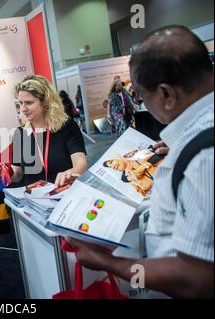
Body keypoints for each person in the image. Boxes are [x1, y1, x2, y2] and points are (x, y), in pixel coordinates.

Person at [67, 25, 214, 299]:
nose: (140, 103)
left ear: (167, 95)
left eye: (141, 96)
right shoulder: (198, 143)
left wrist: (107, 263)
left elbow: (197, 279)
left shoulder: (204, 158)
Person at [0, 75, 88, 188]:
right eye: (21, 103)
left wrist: (69, 173)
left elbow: (81, 163)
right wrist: (9, 172)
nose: (23, 109)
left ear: (45, 102)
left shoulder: (66, 126)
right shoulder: (21, 133)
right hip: (34, 200)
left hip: (63, 194)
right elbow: (18, 174)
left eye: (29, 103)